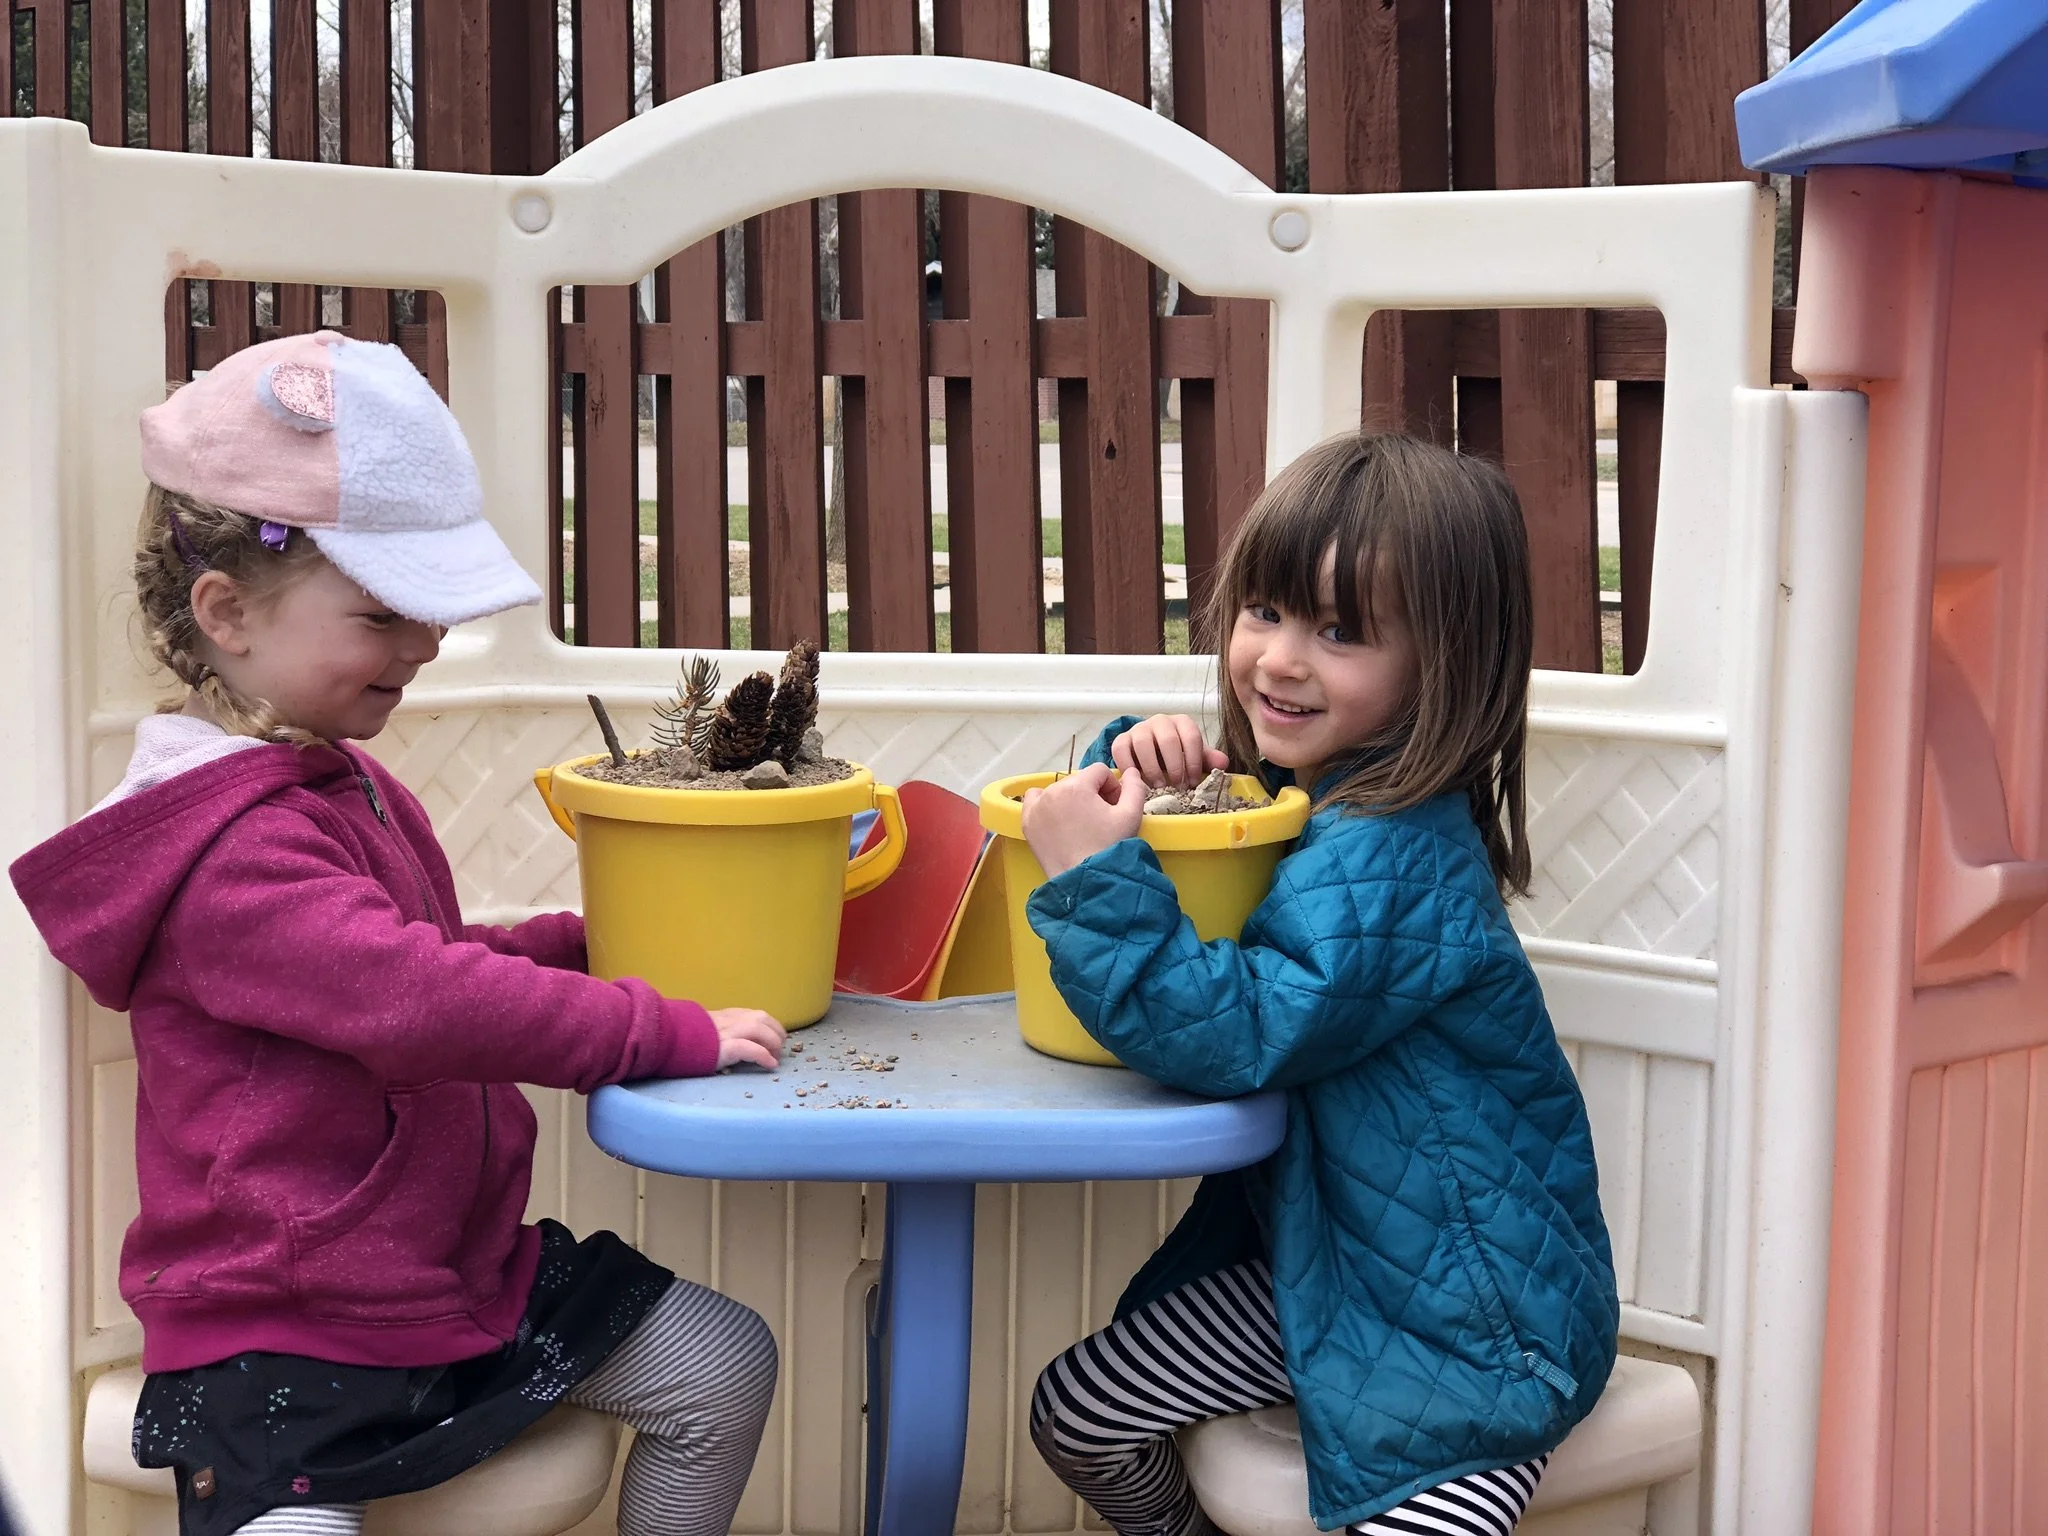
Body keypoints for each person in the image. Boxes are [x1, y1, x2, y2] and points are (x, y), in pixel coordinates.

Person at [10, 332, 787, 1536]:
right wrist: (653, 1028)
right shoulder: (228, 851)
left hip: (445, 1269)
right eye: (384, 615)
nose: (423, 645)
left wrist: (605, 941)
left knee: (719, 1361)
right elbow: (414, 1001)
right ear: (226, 611)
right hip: (286, 1317)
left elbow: (426, 967)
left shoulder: (330, 781)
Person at [1018, 432, 1618, 1536]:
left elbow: (1238, 1027)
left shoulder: (1392, 852)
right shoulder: (1312, 799)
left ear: (1446, 666)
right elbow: (1221, 851)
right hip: (1339, 1267)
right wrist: (1138, 764)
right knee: (1085, 1409)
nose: (1279, 660)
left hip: (1472, 1325)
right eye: (1265, 611)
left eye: (1339, 632)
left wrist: (1102, 880)